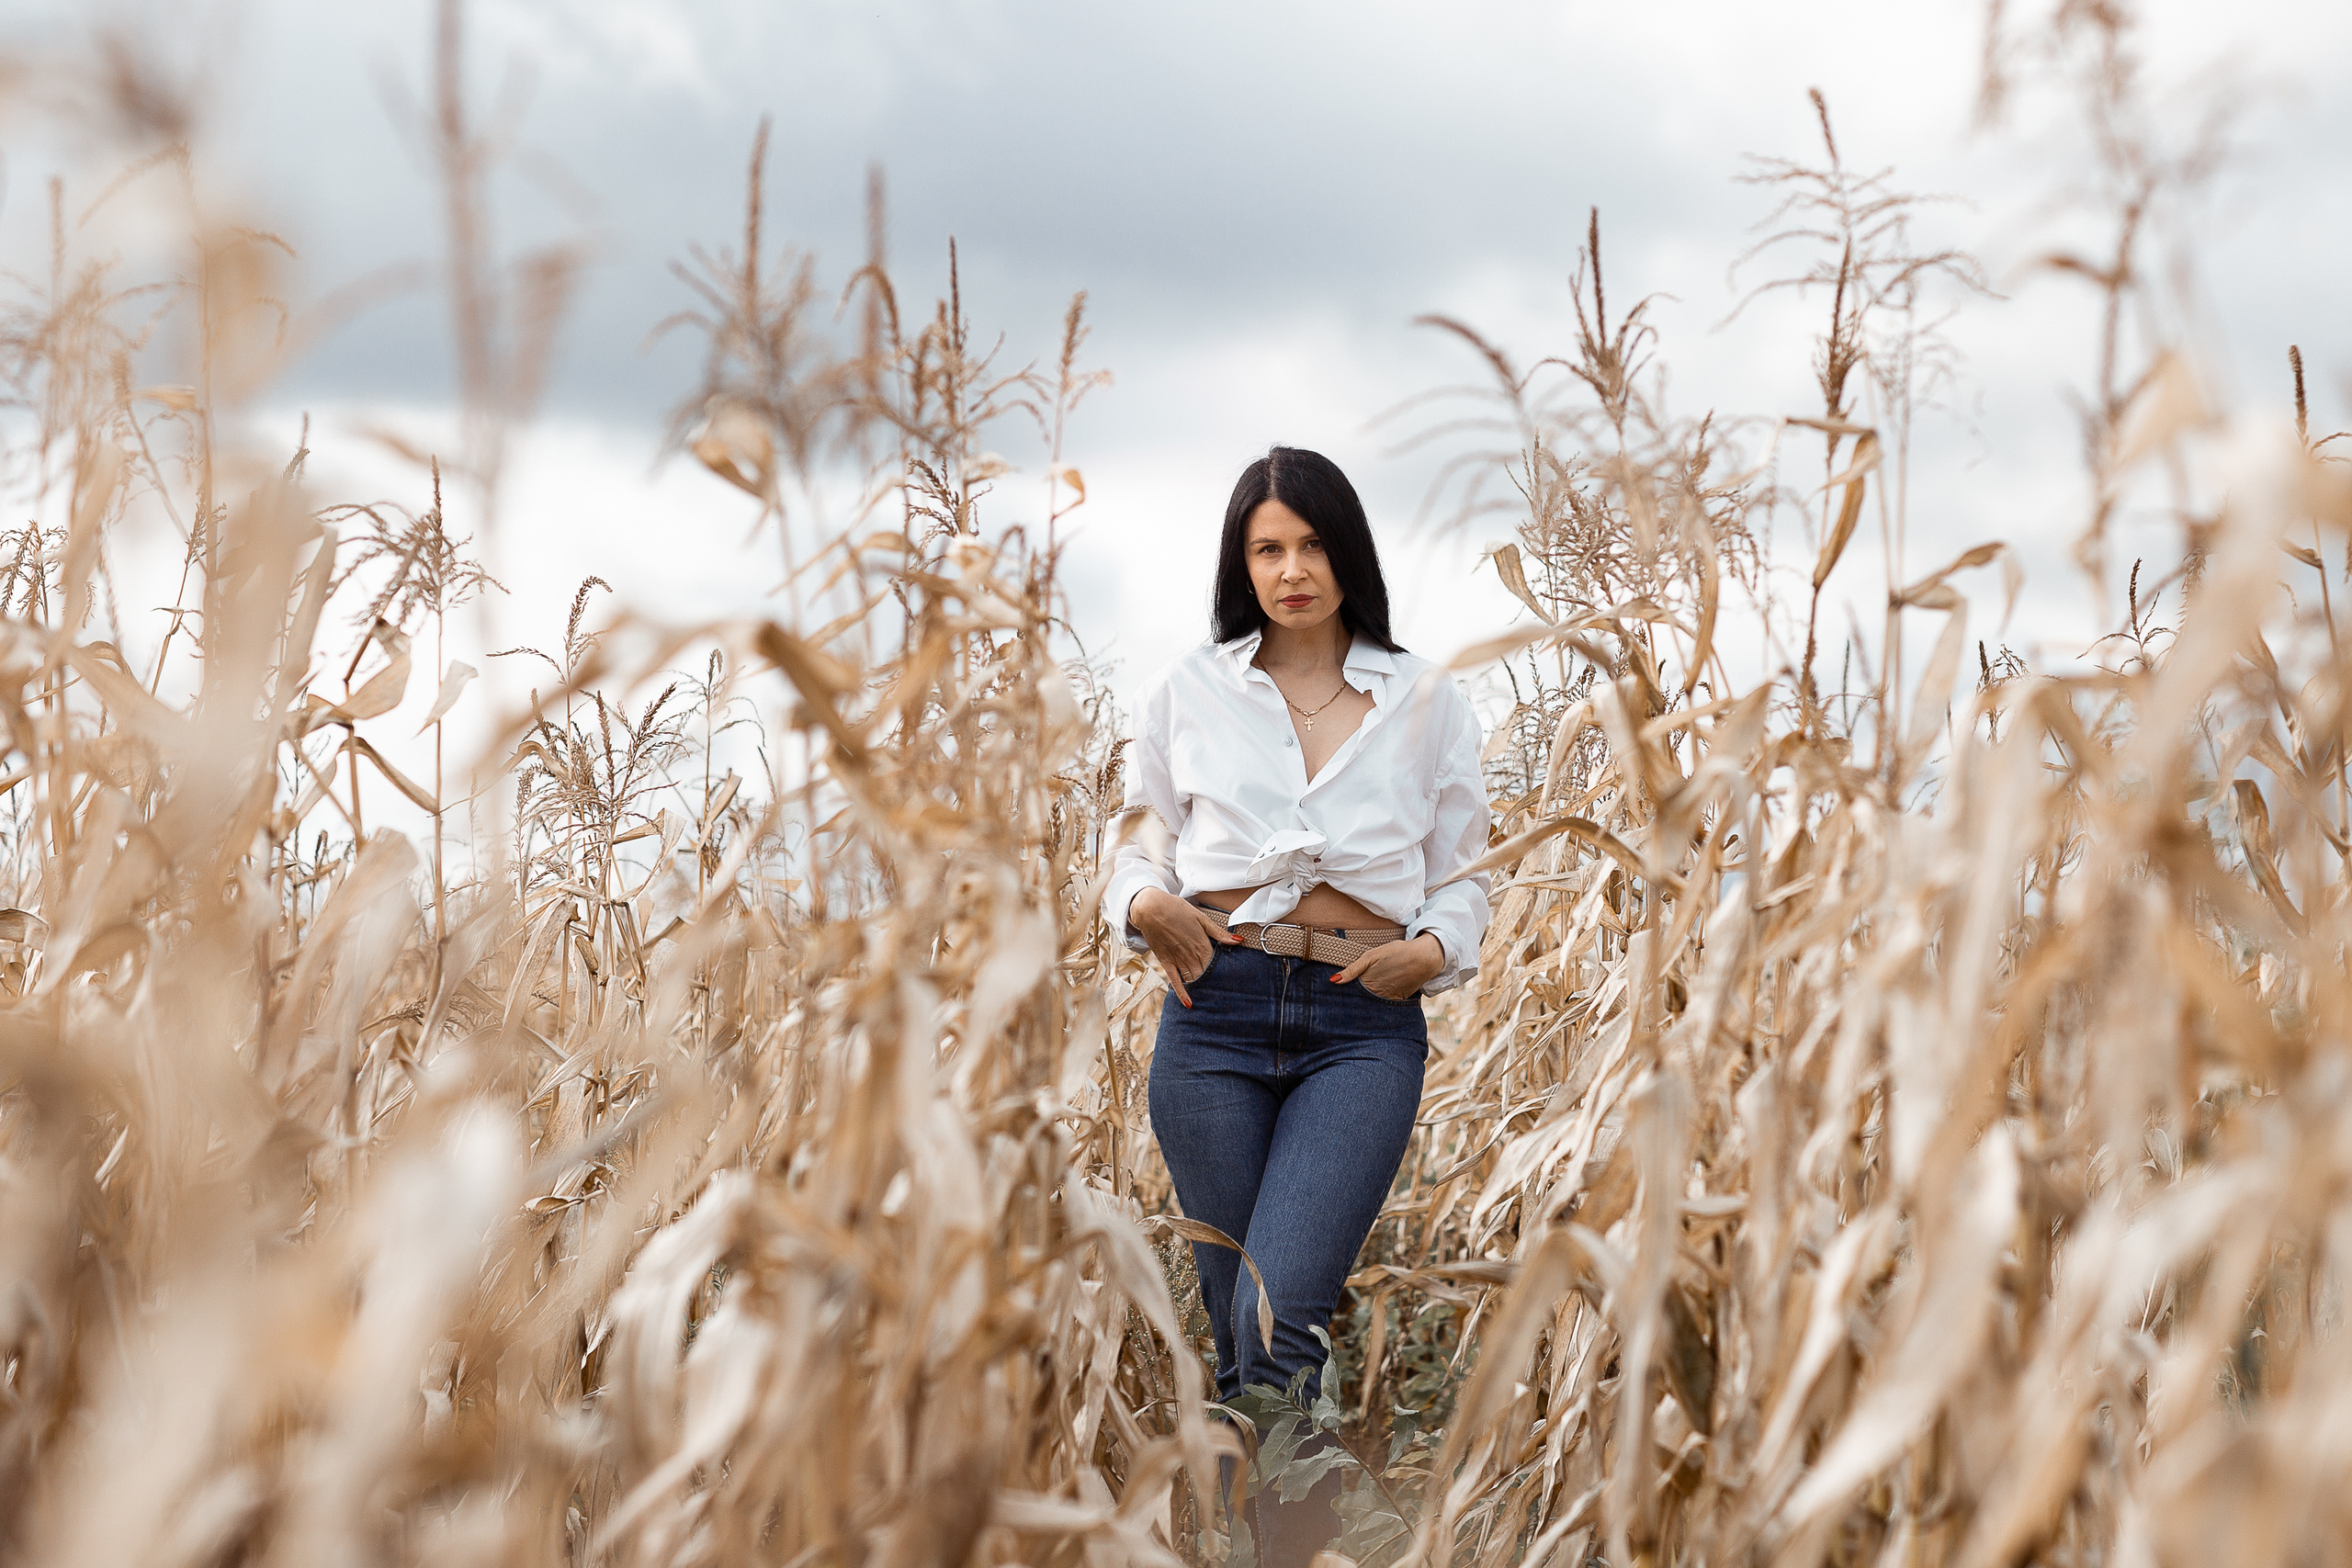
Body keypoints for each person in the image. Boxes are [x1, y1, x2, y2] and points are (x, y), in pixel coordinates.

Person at [1106, 446, 1493, 1563]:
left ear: (1347, 553)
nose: (1291, 570)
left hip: (1358, 1025)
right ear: (1241, 564)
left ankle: (1326, 1545)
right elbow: (1134, 837)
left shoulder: (1425, 699)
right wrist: (1144, 902)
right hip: (1214, 1015)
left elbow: (1465, 870)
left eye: (1313, 544)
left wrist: (1430, 952)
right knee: (1245, 1354)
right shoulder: (1189, 689)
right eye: (1267, 548)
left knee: (1273, 1327)